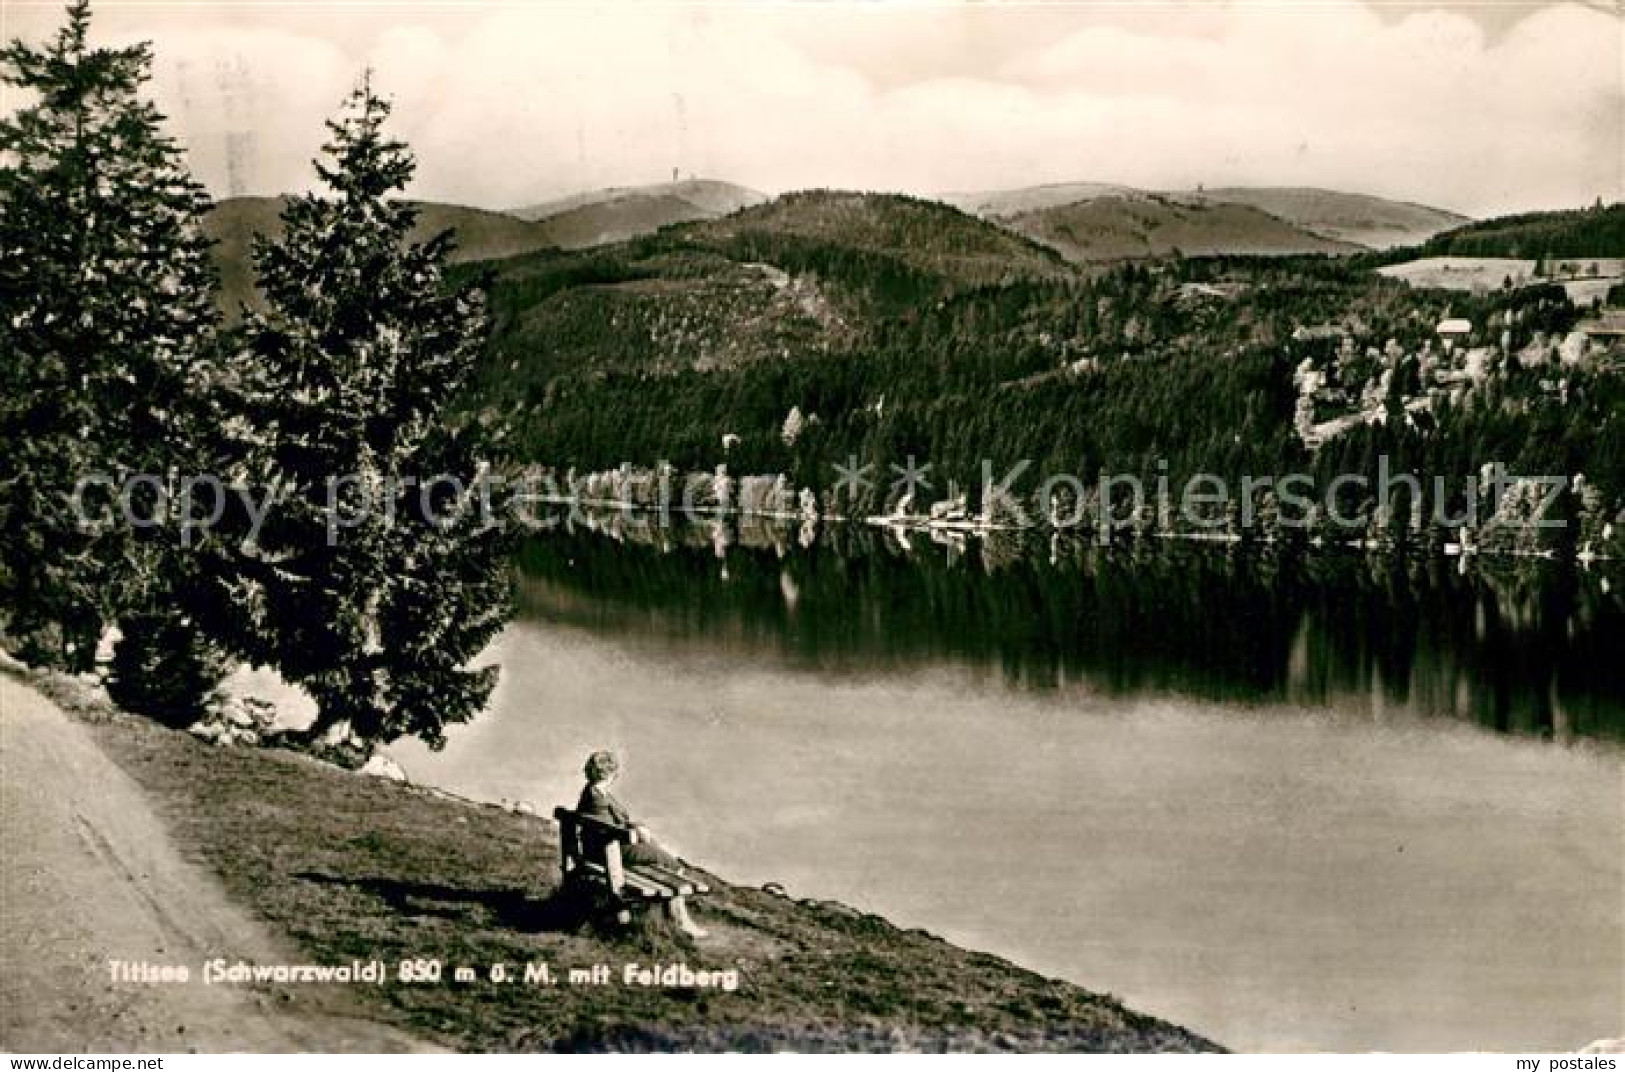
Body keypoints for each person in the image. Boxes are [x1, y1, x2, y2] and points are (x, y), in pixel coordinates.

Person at [577, 750, 707, 939]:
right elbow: (606, 830)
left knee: (658, 853)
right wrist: (635, 833)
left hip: (604, 851)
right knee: (672, 865)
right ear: (613, 774)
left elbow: (608, 823)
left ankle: (668, 917)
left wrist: (634, 826)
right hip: (609, 853)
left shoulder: (594, 792)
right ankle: (680, 921)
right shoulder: (597, 798)